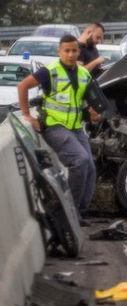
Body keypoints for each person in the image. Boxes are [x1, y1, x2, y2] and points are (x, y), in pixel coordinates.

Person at [17, 34, 100, 225]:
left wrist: (94, 113)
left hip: (75, 127)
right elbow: (23, 86)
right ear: (60, 52)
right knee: (80, 161)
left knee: (90, 167)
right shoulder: (50, 71)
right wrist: (27, 115)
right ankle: (69, 212)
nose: (71, 54)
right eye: (67, 51)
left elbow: (86, 102)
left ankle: (80, 213)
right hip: (54, 126)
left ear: (79, 51)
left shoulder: (83, 73)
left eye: (74, 50)